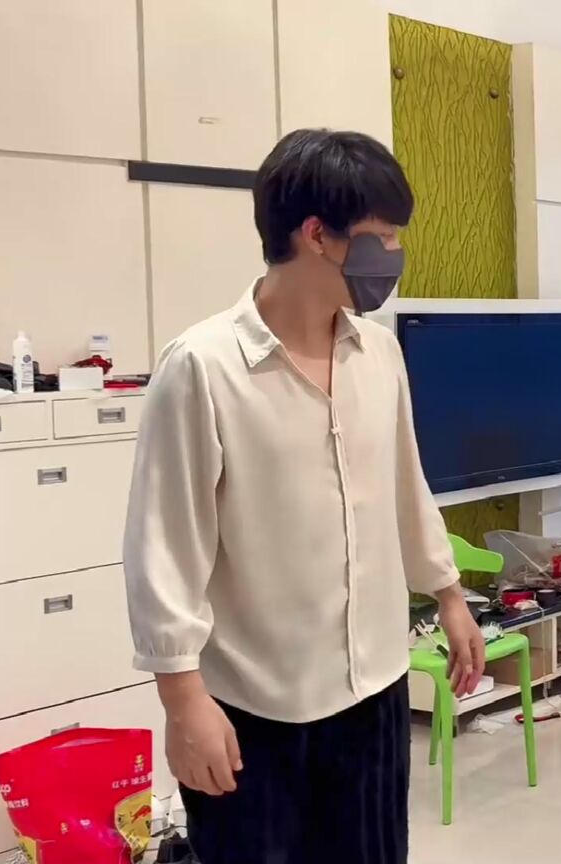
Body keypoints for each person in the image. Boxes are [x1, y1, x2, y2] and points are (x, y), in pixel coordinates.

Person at [123, 128, 485, 863]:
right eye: (383, 237)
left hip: (374, 690)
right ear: (316, 234)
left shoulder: (379, 353)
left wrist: (448, 595)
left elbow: (404, 484)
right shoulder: (202, 367)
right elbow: (163, 545)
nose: (395, 256)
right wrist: (183, 701)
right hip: (255, 707)